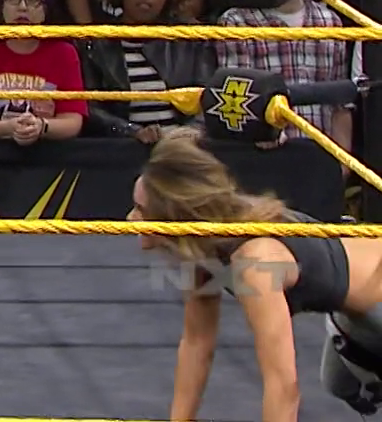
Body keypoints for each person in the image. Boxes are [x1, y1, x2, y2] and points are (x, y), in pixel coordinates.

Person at [132, 129, 382, 418]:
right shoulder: (207, 240)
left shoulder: (255, 263)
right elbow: (197, 343)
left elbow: (283, 386)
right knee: (341, 385)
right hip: (354, 314)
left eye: (140, 210)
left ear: (172, 214)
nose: (130, 218)